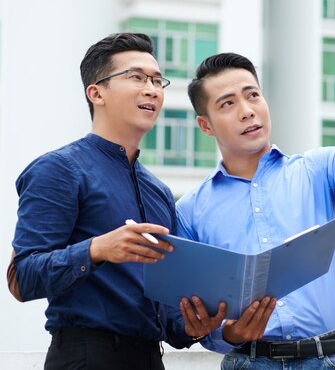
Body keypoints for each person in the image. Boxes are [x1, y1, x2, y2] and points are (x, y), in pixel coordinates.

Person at [7, 32, 273, 370]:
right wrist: (97, 249)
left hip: (149, 358)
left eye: (158, 80)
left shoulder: (159, 192)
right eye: (136, 77)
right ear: (96, 92)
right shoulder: (59, 169)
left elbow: (171, 320)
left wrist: (199, 324)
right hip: (86, 356)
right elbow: (22, 278)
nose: (152, 89)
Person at [175, 0, 335, 369]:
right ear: (205, 125)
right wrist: (229, 333)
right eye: (228, 104)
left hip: (330, 360)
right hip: (250, 362)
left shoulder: (316, 171)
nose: (247, 110)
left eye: (253, 96)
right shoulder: (190, 210)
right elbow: (194, 310)